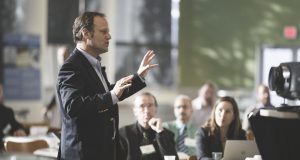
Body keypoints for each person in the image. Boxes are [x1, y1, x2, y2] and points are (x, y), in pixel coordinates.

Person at [56, 12, 158, 160]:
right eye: (104, 32)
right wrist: (112, 96)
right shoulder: (71, 66)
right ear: (86, 33)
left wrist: (138, 77)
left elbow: (108, 93)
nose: (109, 36)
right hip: (83, 154)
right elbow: (73, 105)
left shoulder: (94, 63)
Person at [119, 92, 179, 160]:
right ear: (135, 111)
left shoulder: (167, 135)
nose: (147, 110)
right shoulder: (123, 134)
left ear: (156, 109)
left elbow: (172, 158)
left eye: (150, 105)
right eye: (142, 106)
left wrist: (160, 133)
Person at [0, 84, 26, 151]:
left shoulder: (7, 112)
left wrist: (19, 130)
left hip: (5, 151)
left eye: (0, 90)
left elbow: (15, 125)